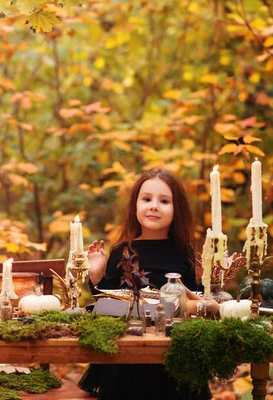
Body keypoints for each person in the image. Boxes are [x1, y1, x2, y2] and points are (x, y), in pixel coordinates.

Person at [78, 167, 218, 400]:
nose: (154, 206)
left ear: (177, 210)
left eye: (164, 201)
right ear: (135, 206)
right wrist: (96, 275)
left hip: (173, 354)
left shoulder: (183, 253)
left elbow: (195, 297)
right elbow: (106, 301)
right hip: (127, 355)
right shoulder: (122, 251)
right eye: (146, 199)